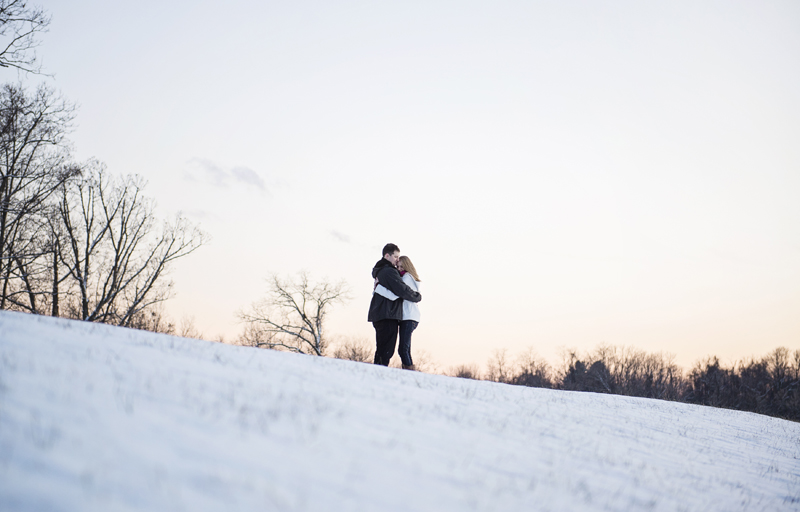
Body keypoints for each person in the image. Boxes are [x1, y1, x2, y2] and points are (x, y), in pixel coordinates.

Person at [368, 243, 421, 366]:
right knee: (388, 349)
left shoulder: (383, 271)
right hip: (388, 314)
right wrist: (416, 296)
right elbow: (400, 291)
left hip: (389, 314)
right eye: (396, 257)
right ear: (387, 255)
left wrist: (377, 288)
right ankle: (382, 371)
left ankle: (380, 370)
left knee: (388, 349)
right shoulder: (389, 271)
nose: (397, 261)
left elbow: (397, 291)